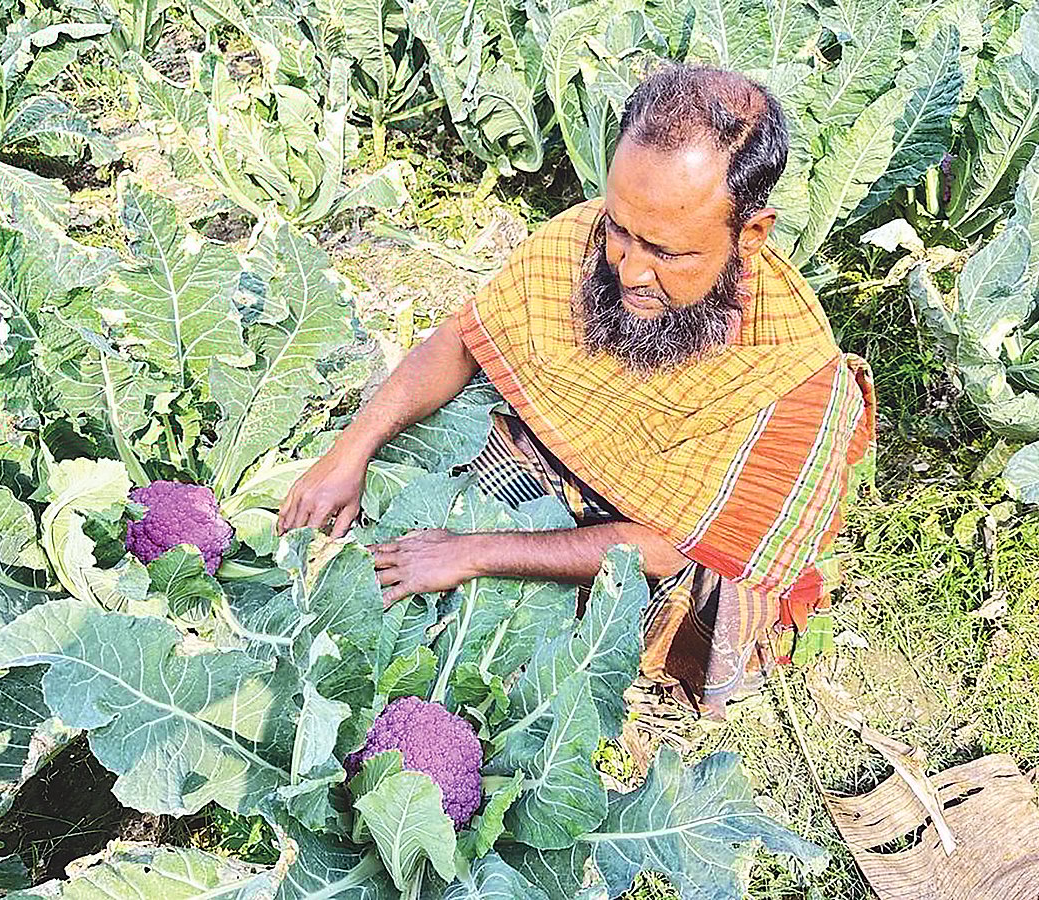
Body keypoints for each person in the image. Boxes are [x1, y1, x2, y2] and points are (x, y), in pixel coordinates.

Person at [277, 63, 875, 715]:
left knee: (663, 619)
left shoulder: (789, 378)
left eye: (668, 253)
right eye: (621, 229)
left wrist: (471, 555)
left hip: (662, 541)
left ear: (750, 235)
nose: (629, 270)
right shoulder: (581, 240)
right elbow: (465, 338)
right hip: (551, 460)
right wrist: (351, 450)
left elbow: (671, 543)